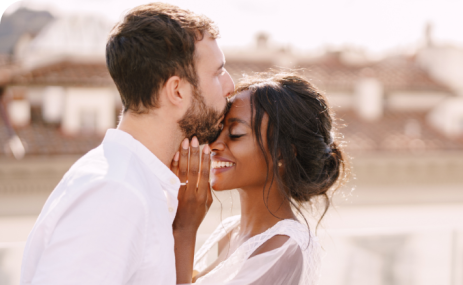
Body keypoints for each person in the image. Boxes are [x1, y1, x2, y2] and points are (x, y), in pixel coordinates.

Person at [20, 3, 231, 284]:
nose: (230, 86)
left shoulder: (135, 183)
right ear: (177, 91)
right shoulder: (116, 192)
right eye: (218, 73)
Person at [172, 73, 350, 284]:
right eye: (219, 131)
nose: (214, 144)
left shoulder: (284, 247)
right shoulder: (230, 232)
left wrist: (184, 229)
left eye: (236, 133)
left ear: (283, 153)